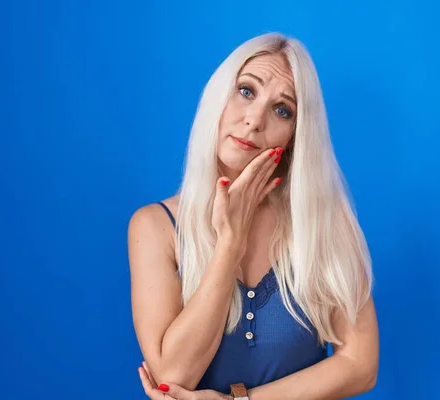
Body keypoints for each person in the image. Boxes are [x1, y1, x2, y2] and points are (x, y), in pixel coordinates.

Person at [128, 32, 379, 400]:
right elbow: (173, 375)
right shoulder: (155, 227)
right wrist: (230, 243)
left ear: (295, 136)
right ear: (218, 98)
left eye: (282, 110)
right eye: (246, 91)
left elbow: (361, 365)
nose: (255, 120)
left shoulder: (326, 223)